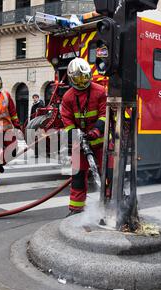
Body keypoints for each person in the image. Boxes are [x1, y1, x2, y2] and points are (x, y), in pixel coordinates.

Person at [60, 58, 106, 216]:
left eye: (84, 77)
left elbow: (104, 115)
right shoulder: (68, 97)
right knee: (78, 177)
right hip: (79, 144)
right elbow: (67, 121)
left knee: (108, 174)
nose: (82, 82)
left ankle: (110, 206)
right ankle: (76, 209)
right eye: (78, 79)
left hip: (101, 143)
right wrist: (76, 136)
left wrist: (96, 131)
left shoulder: (100, 91)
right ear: (72, 79)